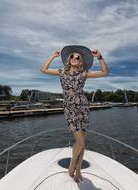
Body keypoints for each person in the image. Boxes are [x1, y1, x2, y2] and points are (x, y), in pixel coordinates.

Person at [40, 45, 109, 182]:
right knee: (80, 142)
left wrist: (100, 57)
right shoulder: (61, 72)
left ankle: (78, 170)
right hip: (70, 108)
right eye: (72, 56)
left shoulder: (84, 73)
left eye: (77, 57)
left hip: (83, 107)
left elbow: (104, 72)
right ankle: (73, 165)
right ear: (68, 59)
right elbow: (43, 69)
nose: (74, 58)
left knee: (82, 142)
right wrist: (52, 57)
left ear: (81, 61)